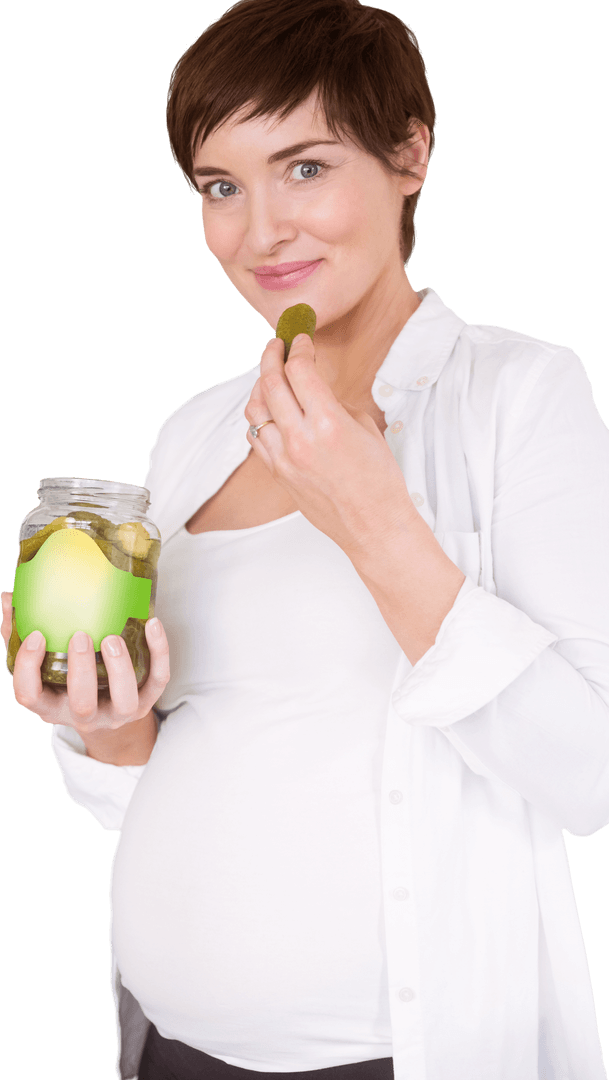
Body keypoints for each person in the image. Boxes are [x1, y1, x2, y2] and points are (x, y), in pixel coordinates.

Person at [2, 0, 609, 1077]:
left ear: (411, 152)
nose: (260, 231)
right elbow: (183, 774)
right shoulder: (195, 428)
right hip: (166, 1046)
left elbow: (591, 773)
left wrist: (371, 518)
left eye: (307, 168)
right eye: (220, 188)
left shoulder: (520, 395)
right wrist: (109, 721)